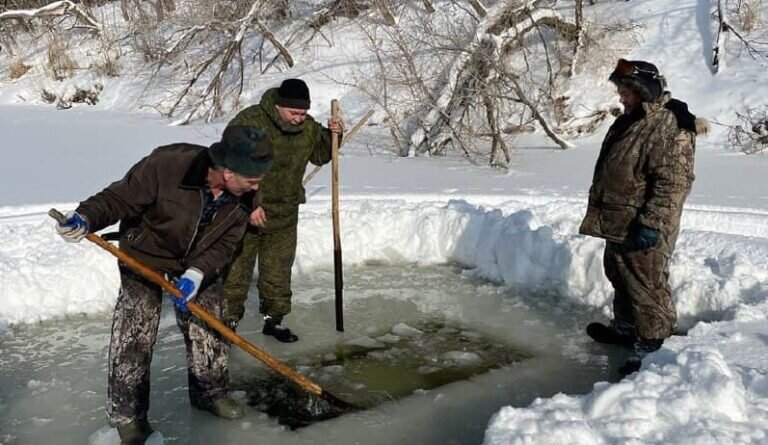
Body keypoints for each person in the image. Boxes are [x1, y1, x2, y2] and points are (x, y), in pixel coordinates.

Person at [55, 126, 273, 444]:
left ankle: (210, 393)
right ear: (228, 172)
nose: (258, 187)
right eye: (252, 180)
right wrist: (86, 217)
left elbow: (227, 243)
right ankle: (128, 416)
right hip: (145, 256)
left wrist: (197, 273)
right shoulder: (168, 165)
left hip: (196, 262)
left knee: (210, 327)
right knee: (134, 333)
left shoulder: (247, 194)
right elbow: (119, 198)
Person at [579, 59, 707, 376]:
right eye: (620, 90)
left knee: (646, 286)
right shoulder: (634, 118)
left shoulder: (668, 125)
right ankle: (626, 328)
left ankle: (653, 347)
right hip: (619, 220)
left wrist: (651, 224)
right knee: (620, 275)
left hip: (644, 225)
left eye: (626, 91)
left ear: (644, 90)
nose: (621, 97)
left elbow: (673, 183)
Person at [221, 78, 344, 343]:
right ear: (279, 106)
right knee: (236, 271)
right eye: (294, 113)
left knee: (277, 271)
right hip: (245, 211)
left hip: (285, 212)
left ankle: (273, 320)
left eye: (303, 113)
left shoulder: (308, 128)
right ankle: (227, 322)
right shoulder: (252, 122)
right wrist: (251, 204)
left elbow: (322, 154)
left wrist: (335, 134)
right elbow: (230, 164)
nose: (299, 118)